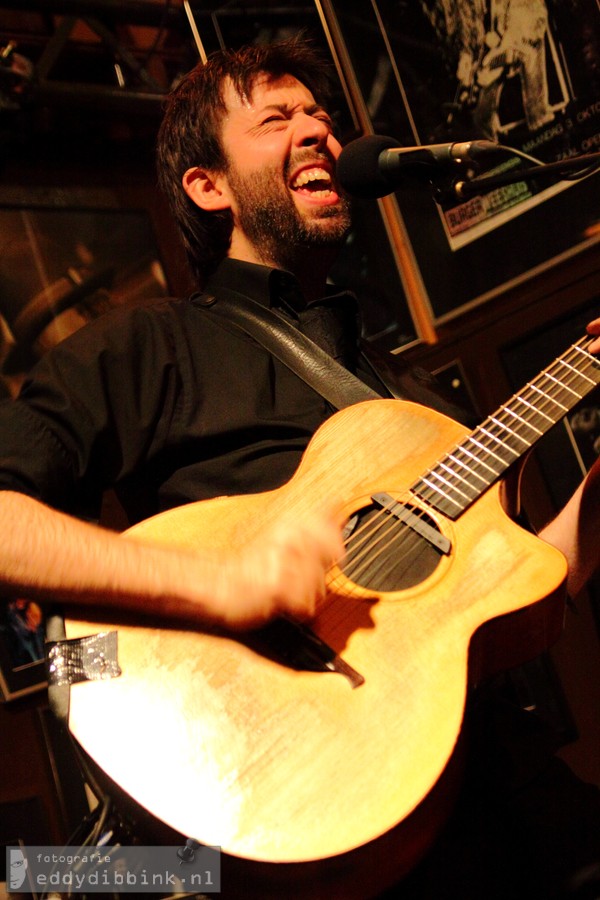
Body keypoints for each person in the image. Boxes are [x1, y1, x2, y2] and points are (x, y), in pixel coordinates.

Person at [0, 34, 599, 898]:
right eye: (277, 118)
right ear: (207, 187)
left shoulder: (416, 395)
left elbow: (512, 603)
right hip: (304, 802)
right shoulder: (148, 350)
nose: (317, 129)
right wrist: (220, 584)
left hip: (504, 793)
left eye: (320, 113)